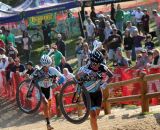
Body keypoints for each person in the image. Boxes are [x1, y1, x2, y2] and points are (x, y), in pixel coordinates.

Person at [76, 50, 113, 130]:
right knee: (93, 116)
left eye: (99, 63)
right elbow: (77, 77)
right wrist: (87, 72)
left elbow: (111, 76)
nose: (97, 66)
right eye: (95, 64)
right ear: (90, 61)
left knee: (96, 116)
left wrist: (104, 84)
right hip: (87, 95)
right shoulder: (84, 68)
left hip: (98, 93)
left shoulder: (102, 67)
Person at [32, 55, 65, 130]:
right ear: (42, 65)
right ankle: (48, 124)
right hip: (40, 89)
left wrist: (57, 84)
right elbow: (31, 79)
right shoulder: (38, 70)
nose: (46, 68)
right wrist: (34, 76)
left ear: (50, 64)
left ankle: (47, 121)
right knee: (46, 103)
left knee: (48, 108)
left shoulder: (52, 69)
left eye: (48, 66)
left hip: (48, 89)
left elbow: (63, 77)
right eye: (44, 66)